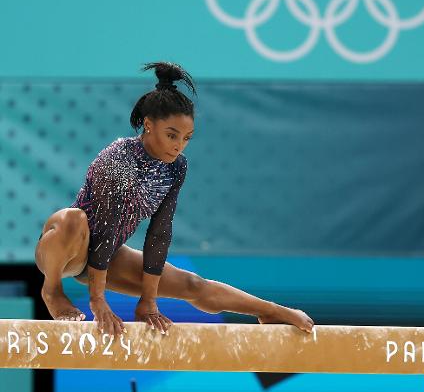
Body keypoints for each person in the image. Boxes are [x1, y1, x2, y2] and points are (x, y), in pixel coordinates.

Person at [35, 61, 315, 337]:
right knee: (72, 218)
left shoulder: (176, 166)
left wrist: (149, 299)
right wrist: (97, 300)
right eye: (172, 135)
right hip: (68, 249)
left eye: (186, 138)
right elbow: (106, 227)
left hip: (110, 253)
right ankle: (52, 290)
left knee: (192, 285)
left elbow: (159, 233)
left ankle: (268, 310)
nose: (178, 145)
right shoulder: (118, 159)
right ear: (148, 125)